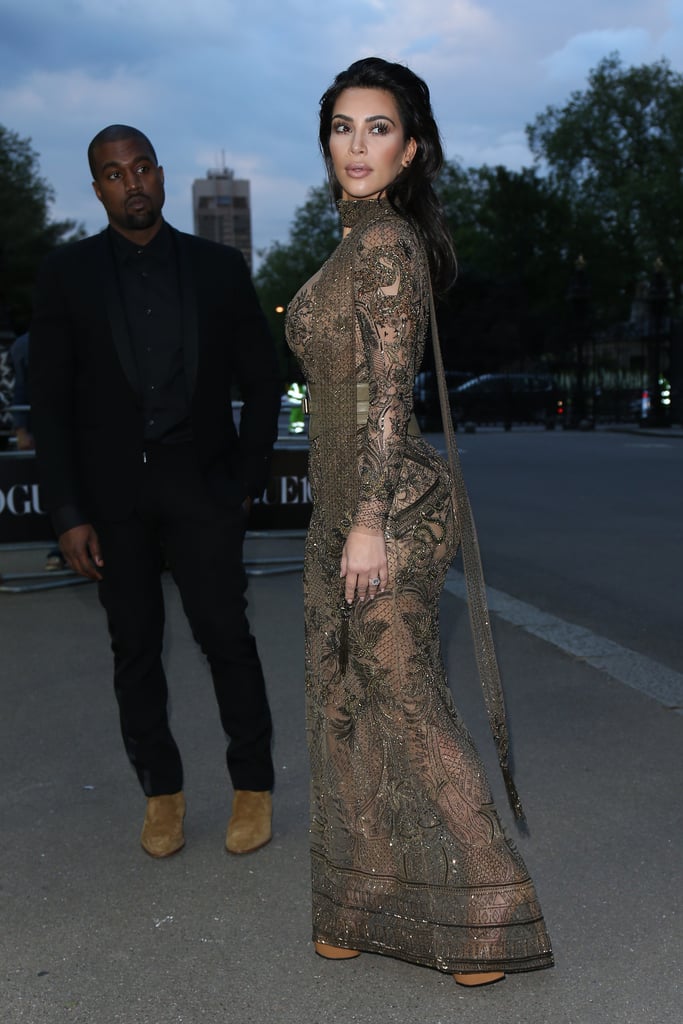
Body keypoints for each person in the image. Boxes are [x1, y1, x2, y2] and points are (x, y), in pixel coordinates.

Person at [285, 58, 553, 985]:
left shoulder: (388, 245)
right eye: (342, 127)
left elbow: (389, 400)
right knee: (342, 708)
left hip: (382, 513)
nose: (357, 146)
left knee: (405, 705)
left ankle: (487, 912)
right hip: (339, 511)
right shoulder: (345, 245)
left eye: (378, 129)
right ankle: (359, 901)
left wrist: (366, 524)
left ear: (411, 149)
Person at [30, 125, 281, 859]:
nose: (131, 182)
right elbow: (48, 405)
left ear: (161, 176)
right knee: (133, 648)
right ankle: (161, 796)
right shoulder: (65, 275)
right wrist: (69, 512)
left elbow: (262, 381)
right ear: (98, 187)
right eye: (113, 173)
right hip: (114, 499)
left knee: (226, 639)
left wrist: (245, 477)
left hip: (202, 486)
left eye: (141, 167)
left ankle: (252, 787)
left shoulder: (218, 267)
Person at [9, 332, 66, 570]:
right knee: (56, 491)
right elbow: (20, 387)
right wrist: (21, 429)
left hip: (79, 428)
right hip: (48, 431)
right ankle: (60, 548)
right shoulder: (24, 345)